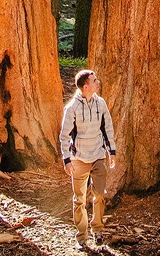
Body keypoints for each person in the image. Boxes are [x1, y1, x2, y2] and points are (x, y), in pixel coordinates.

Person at [60, 69, 117, 249]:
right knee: (79, 200)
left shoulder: (101, 103)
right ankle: (82, 237)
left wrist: (111, 151)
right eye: (94, 81)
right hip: (79, 159)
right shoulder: (72, 108)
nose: (98, 82)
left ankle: (97, 230)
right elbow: (64, 136)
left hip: (98, 156)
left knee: (100, 195)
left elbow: (107, 128)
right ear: (86, 86)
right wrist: (67, 160)